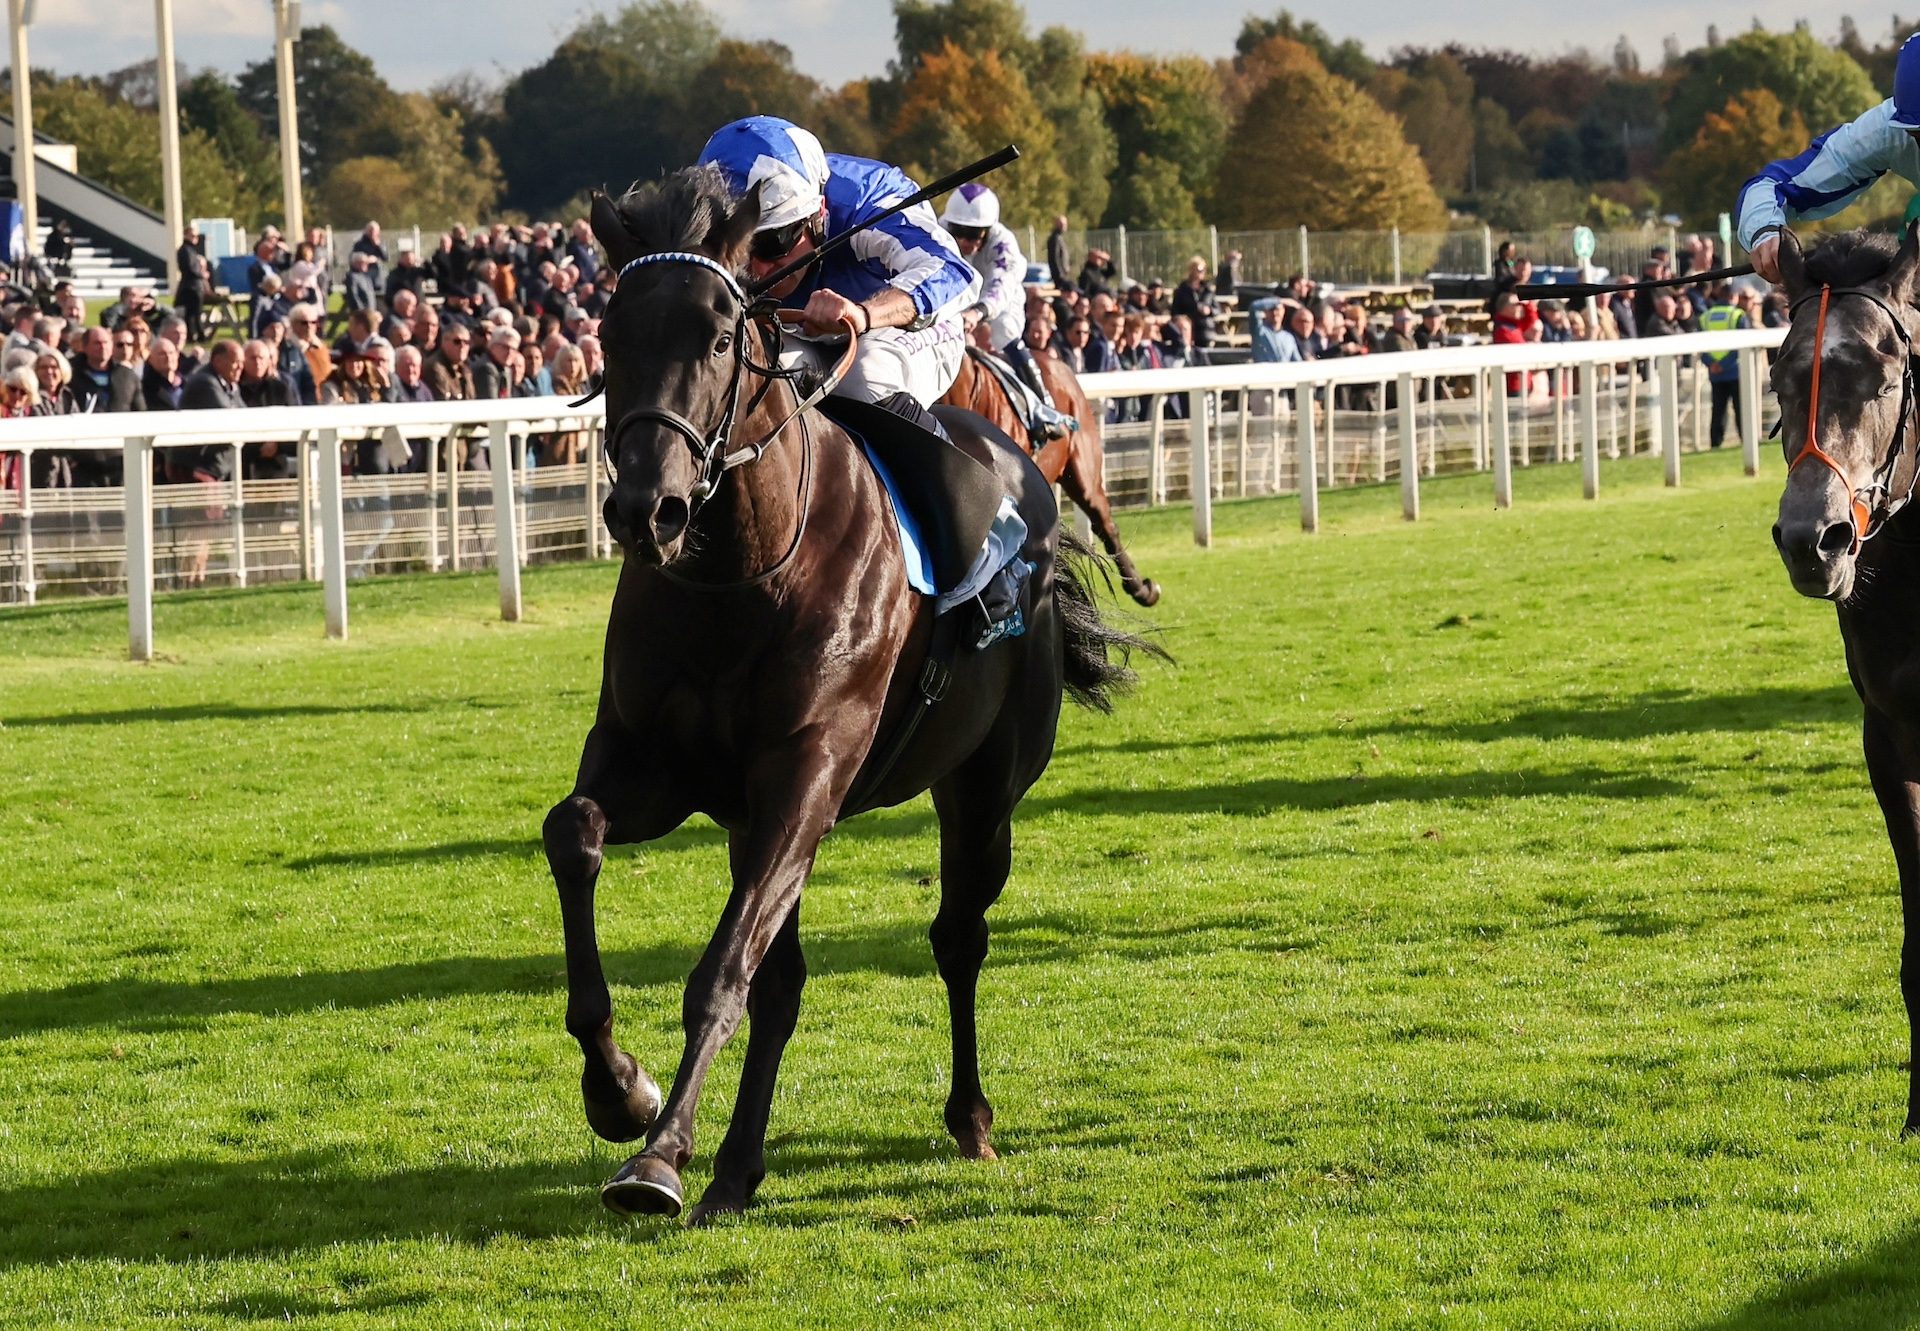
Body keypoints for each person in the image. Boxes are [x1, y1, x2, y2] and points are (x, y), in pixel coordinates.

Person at [697, 115, 981, 440]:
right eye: (740, 251)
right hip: (798, 336)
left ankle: (968, 488)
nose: (758, 269)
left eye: (774, 243)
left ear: (817, 214)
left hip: (902, 328)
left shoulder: (864, 201)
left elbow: (955, 274)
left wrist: (863, 314)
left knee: (867, 374)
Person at [939, 184, 1074, 440]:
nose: (965, 241)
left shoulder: (1004, 244)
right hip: (958, 292)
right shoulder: (939, 230)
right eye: (958, 231)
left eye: (973, 234)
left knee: (1004, 331)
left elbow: (999, 287)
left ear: (988, 231)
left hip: (999, 295)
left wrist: (977, 313)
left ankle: (1043, 405)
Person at [1699, 283, 1747, 448]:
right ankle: (1745, 440)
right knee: (1741, 408)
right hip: (1735, 370)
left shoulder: (1705, 316)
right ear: (1733, 297)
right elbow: (1743, 345)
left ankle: (1715, 443)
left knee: (1718, 409)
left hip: (1714, 372)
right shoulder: (1738, 315)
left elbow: (1698, 345)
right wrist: (1726, 363)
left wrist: (1711, 363)